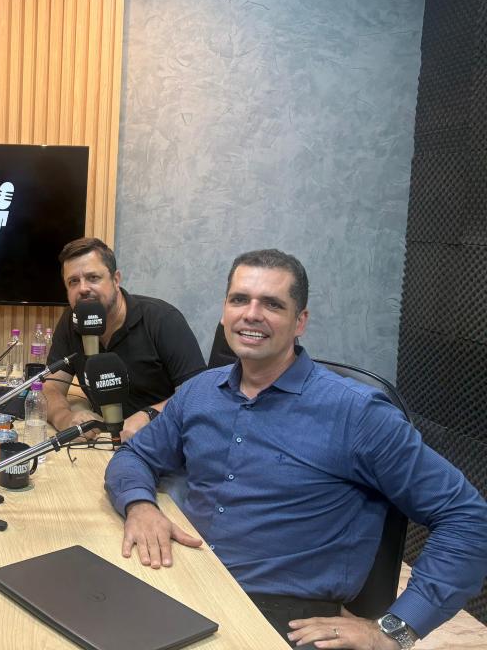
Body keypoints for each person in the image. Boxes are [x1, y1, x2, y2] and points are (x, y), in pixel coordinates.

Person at [105, 249, 487, 649]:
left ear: (300, 321)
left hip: (283, 618)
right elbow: (135, 455)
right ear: (224, 312)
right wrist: (140, 505)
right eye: (239, 300)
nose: (251, 314)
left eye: (272, 304)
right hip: (191, 581)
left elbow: (467, 518)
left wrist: (393, 631)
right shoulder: (199, 392)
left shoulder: (359, 414)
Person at [43, 238, 205, 442]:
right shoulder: (71, 321)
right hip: (105, 445)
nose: (83, 288)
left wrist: (150, 415)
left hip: (164, 442)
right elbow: (50, 388)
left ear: (116, 279)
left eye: (93, 277)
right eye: (73, 281)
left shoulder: (162, 319)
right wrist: (65, 419)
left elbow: (199, 394)